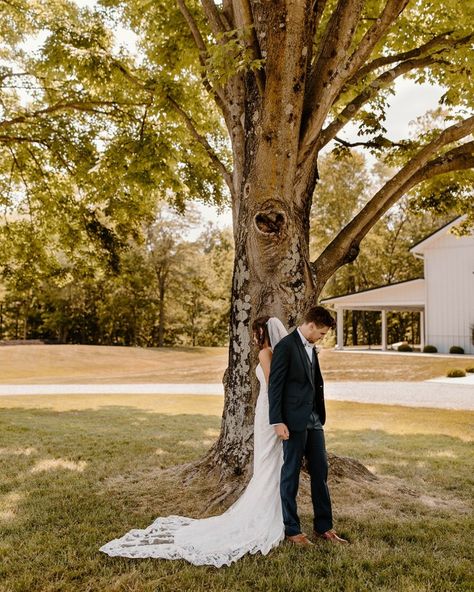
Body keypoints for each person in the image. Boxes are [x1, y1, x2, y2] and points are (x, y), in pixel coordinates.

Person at [99, 316, 288, 567]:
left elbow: (274, 385)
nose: (253, 338)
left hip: (268, 412)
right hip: (268, 410)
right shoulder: (276, 353)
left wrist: (277, 417)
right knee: (270, 462)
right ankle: (271, 510)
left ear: (262, 333)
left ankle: (268, 512)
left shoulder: (266, 354)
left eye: (255, 333)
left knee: (269, 462)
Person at [268, 306, 348, 546]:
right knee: (290, 473)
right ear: (311, 325)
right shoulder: (285, 346)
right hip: (292, 421)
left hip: (314, 420)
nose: (322, 338)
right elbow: (276, 386)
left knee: (320, 472)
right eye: (321, 334)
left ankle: (324, 527)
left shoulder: (313, 347)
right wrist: (277, 420)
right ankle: (293, 530)